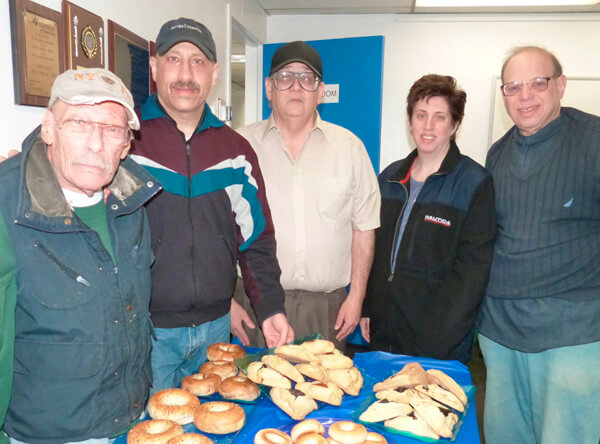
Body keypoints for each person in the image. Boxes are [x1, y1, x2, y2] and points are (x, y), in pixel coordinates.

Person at [128, 18, 293, 394]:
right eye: (174, 59)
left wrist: (270, 308)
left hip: (217, 336)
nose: (186, 73)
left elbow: (257, 243)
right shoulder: (126, 143)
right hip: (146, 336)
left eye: (198, 61)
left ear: (215, 73)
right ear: (154, 67)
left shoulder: (236, 153)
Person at [0, 68, 159, 443]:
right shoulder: (8, 206)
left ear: (126, 144)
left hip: (132, 421)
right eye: (79, 123)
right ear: (49, 129)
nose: (95, 143)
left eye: (111, 129)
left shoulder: (133, 199)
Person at [479, 46, 600, 444]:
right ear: (503, 96)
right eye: (513, 87)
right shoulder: (496, 155)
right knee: (505, 436)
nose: (525, 96)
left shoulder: (595, 141)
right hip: (500, 334)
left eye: (537, 83)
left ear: (561, 86)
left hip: (572, 334)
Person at [232, 41, 380, 349]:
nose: (296, 86)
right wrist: (225, 300)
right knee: (251, 393)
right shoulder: (238, 146)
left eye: (307, 78)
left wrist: (357, 296)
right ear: (268, 88)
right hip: (253, 303)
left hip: (326, 309)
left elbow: (364, 228)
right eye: (285, 77)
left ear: (320, 90)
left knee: (324, 393)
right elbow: (217, 228)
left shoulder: (350, 148)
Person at [361, 74, 496, 364]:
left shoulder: (474, 183)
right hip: (385, 326)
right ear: (410, 120)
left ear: (454, 125)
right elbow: (375, 250)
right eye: (421, 115)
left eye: (439, 117)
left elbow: (473, 273)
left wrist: (445, 334)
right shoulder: (390, 178)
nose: (428, 126)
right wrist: (368, 307)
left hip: (438, 339)